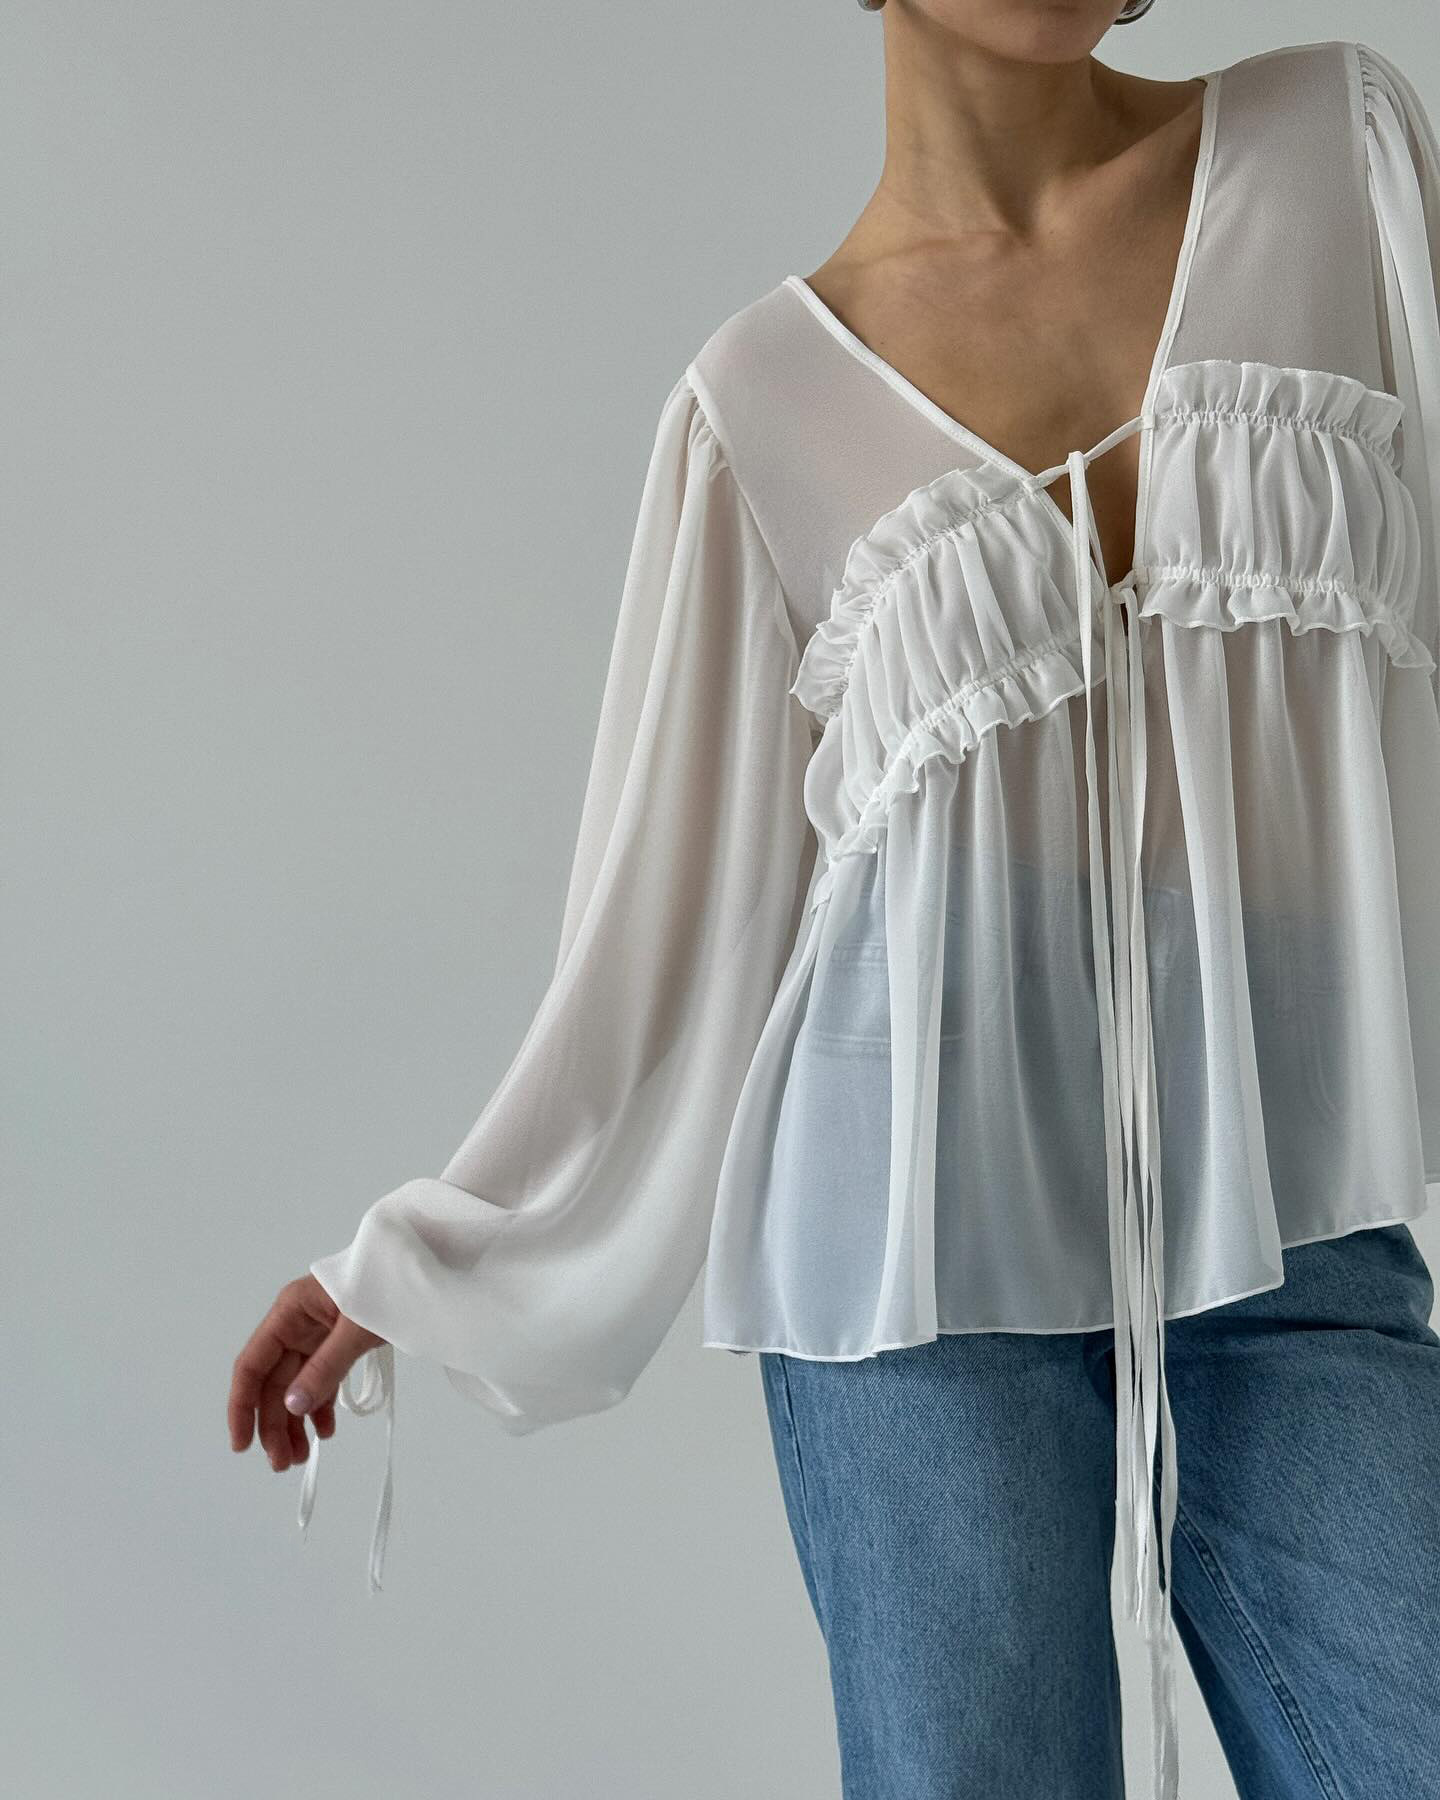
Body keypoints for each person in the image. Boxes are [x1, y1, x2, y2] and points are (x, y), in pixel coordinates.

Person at [229, 7, 1440, 1797]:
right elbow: (667, 932)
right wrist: (428, 1257)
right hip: (911, 1251)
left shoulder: (1327, 157)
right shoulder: (762, 405)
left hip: (1291, 1195)